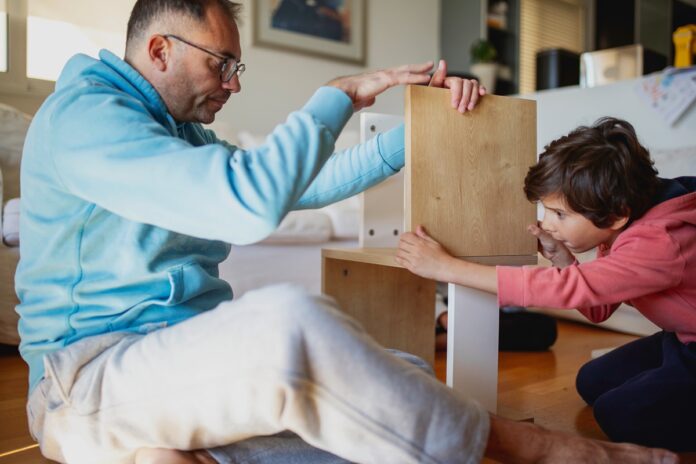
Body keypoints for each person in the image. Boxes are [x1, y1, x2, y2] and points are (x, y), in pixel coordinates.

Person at [15, 0, 677, 461]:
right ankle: (542, 450)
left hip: (171, 364)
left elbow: (301, 186)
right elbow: (246, 204)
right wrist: (339, 95)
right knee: (294, 326)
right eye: (224, 64)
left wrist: (416, 137)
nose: (232, 84)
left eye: (235, 68)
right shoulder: (86, 117)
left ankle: (170, 452)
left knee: (402, 372)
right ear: (161, 49)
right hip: (86, 378)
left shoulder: (177, 136)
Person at [397, 117, 696, 453]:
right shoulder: (623, 220)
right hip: (681, 338)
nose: (547, 224)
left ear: (616, 215)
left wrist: (447, 267)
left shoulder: (660, 241)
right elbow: (598, 307)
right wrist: (562, 256)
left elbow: (565, 288)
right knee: (591, 382)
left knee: (620, 414)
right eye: (546, 210)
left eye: (560, 214)